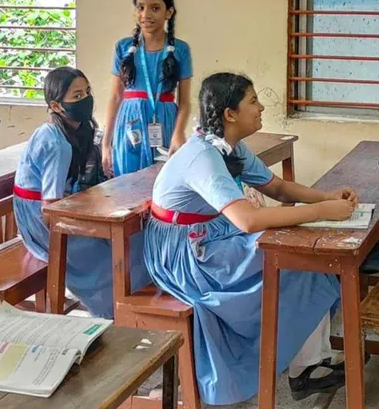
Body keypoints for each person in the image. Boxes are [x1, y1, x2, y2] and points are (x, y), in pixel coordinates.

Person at [143, 72, 360, 405]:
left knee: (302, 255)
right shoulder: (203, 157)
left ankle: (308, 360)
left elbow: (277, 187)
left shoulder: (230, 146)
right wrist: (322, 212)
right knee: (297, 261)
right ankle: (305, 367)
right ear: (230, 114)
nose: (261, 108)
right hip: (186, 254)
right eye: (253, 101)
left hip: (211, 234)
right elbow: (248, 220)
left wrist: (326, 197)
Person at [13, 67, 150, 318]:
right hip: (41, 223)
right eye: (76, 96)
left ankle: (131, 304)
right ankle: (116, 310)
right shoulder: (57, 144)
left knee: (136, 235)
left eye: (87, 92)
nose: (86, 99)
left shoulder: (76, 131)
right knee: (123, 246)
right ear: (56, 106)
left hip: (59, 209)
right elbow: (50, 210)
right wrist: (90, 224)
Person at [102, 0, 193, 177]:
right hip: (130, 122)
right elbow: (115, 98)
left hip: (166, 120)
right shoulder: (122, 47)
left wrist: (178, 133)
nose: (146, 14)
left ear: (169, 12)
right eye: (140, 7)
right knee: (127, 182)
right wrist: (106, 143)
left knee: (164, 181)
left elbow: (185, 102)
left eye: (155, 8)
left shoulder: (181, 49)